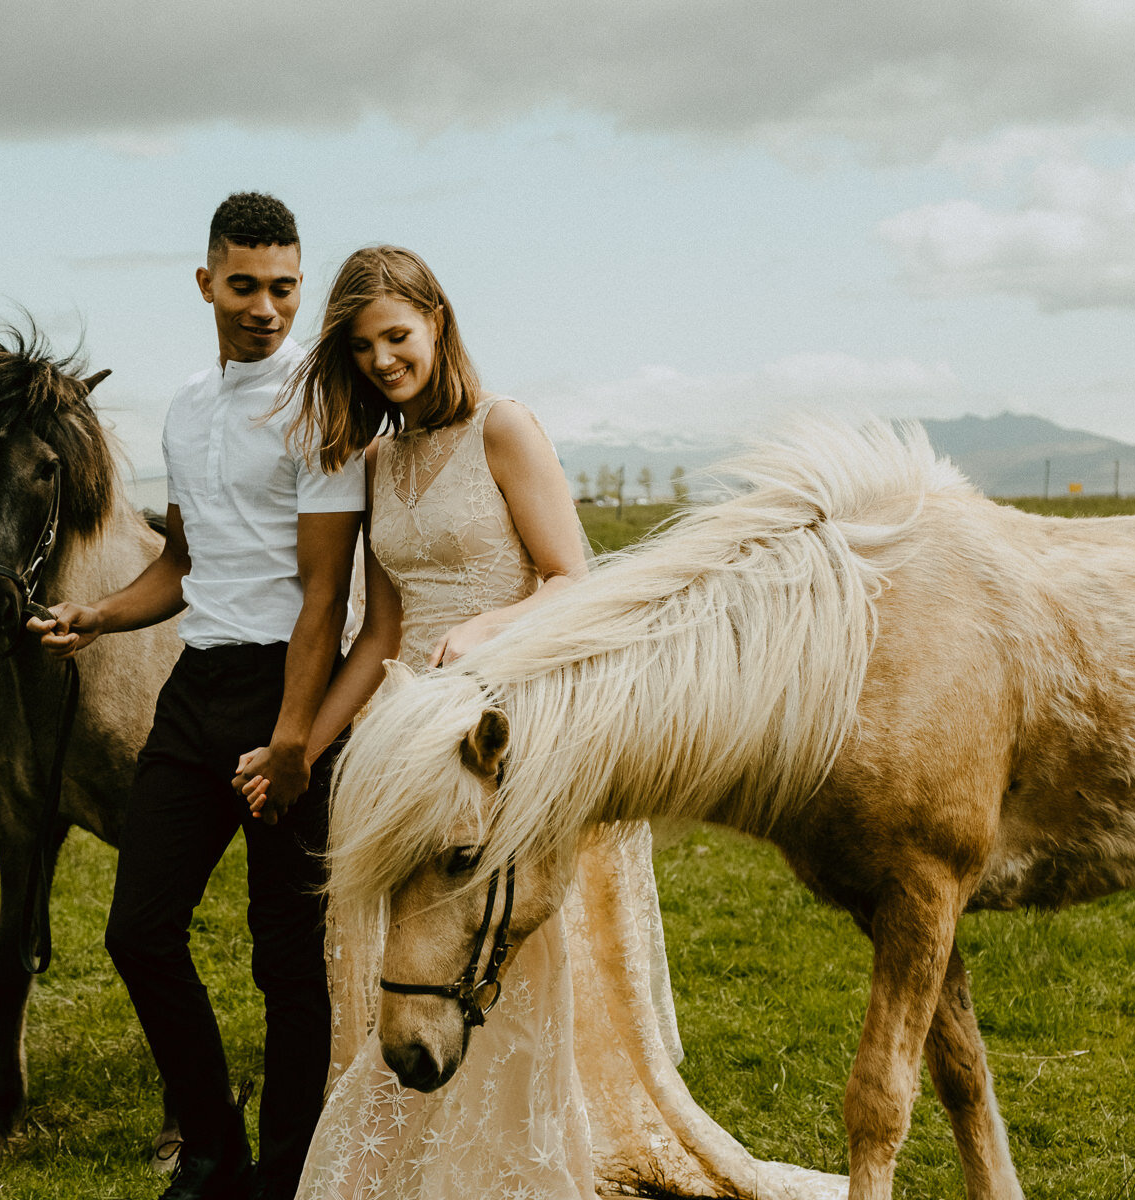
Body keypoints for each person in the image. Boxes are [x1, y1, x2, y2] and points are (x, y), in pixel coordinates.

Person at [236, 246, 841, 1199]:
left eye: (397, 337)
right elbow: (381, 629)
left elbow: (572, 581)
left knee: (496, 943)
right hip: (407, 743)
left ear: (437, 321)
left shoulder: (502, 429)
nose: (383, 361)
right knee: (405, 951)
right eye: (361, 349)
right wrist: (302, 744)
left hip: (504, 731)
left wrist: (489, 625)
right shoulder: (379, 457)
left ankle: (508, 1162)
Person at [28, 193, 363, 1200]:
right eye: (247, 285)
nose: (267, 307)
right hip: (197, 686)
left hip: (287, 689)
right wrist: (96, 616)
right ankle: (213, 1147)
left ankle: (287, 1173)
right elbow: (184, 564)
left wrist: (297, 739)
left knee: (288, 961)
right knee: (137, 929)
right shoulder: (184, 408)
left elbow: (324, 594)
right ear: (208, 282)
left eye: (286, 288)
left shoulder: (322, 405)